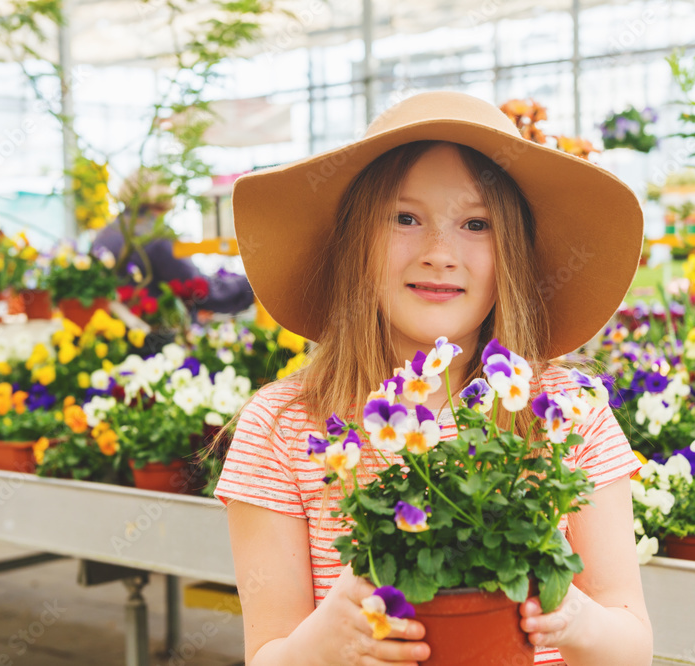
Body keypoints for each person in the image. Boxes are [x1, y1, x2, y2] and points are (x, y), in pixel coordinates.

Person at [212, 91, 652, 665]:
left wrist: (572, 617)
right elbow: (266, 654)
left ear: (512, 254)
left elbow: (632, 648)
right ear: (355, 243)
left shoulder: (569, 410)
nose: (440, 253)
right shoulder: (283, 425)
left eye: (476, 223)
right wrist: (326, 641)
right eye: (404, 218)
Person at [90, 167, 255, 318]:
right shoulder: (156, 236)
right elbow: (202, 290)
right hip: (154, 337)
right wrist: (252, 284)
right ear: (163, 193)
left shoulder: (104, 234)